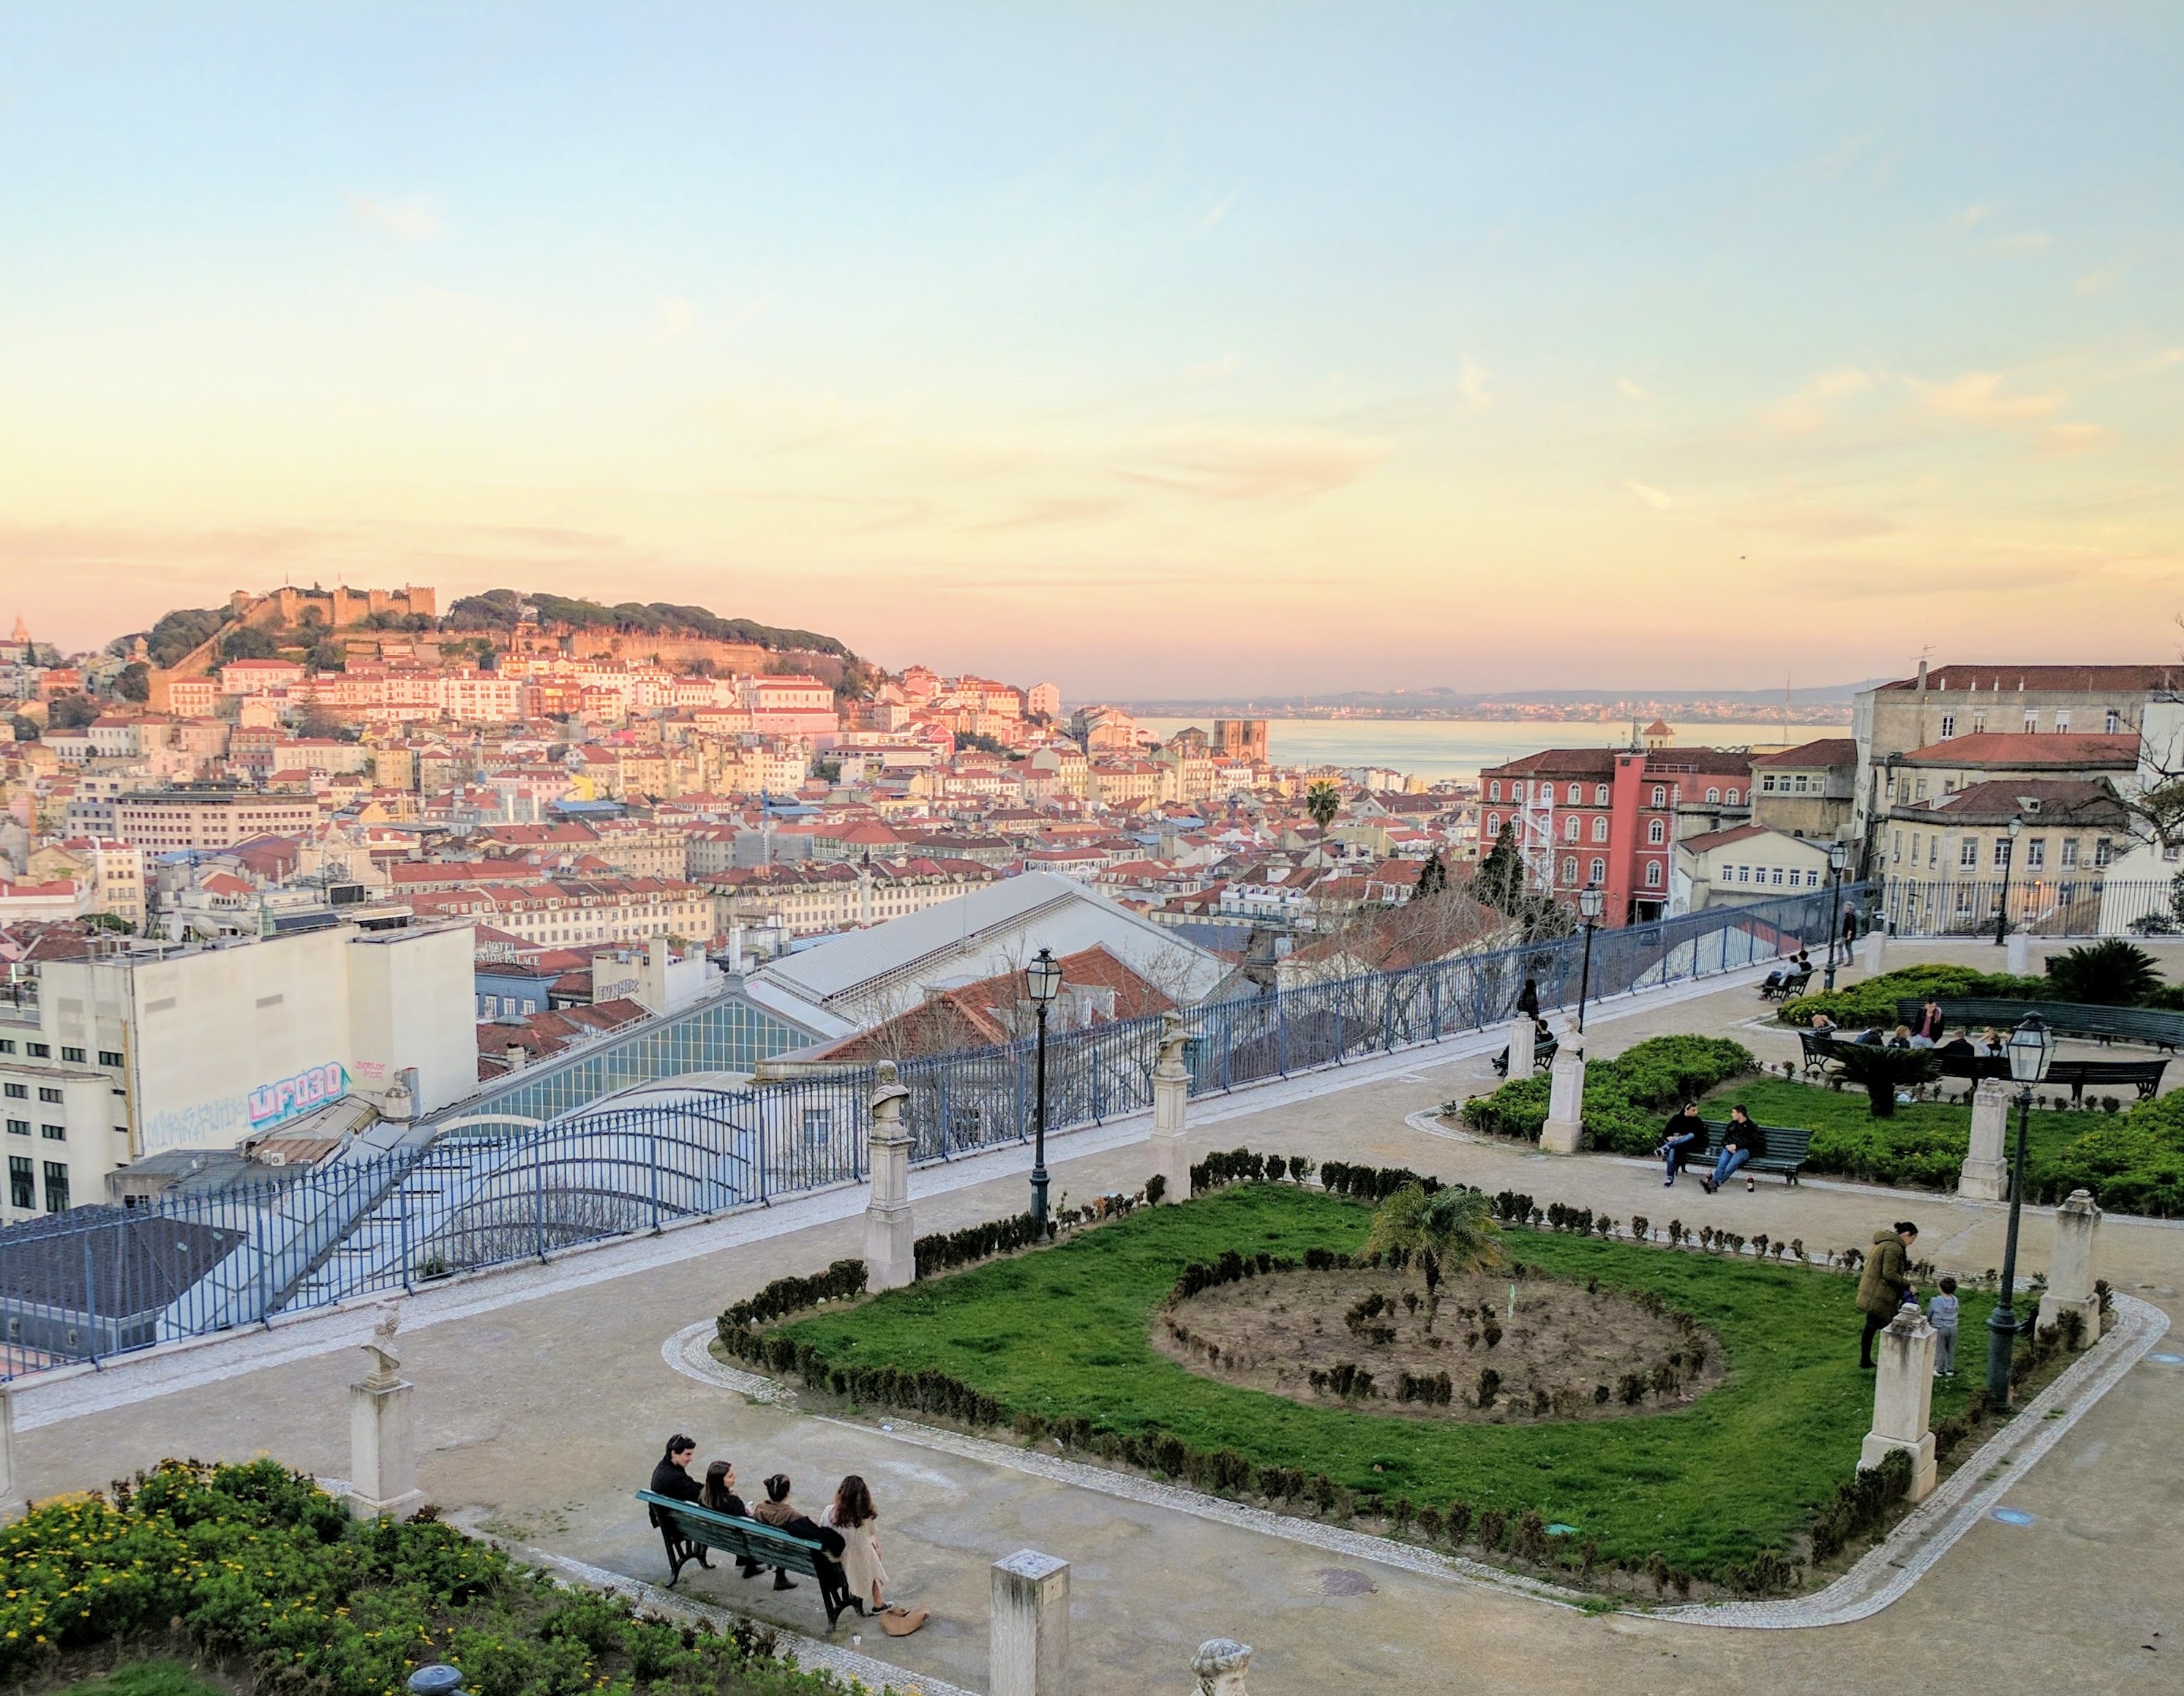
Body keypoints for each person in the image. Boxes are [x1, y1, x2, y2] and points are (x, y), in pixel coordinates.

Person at [825, 1474, 923, 1635]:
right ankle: (878, 1602)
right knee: (874, 1551)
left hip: (829, 1567)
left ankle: (878, 1602)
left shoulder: (828, 1512)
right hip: (851, 1569)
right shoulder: (864, 1519)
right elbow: (871, 1534)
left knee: (870, 1551)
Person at [751, 1473, 845, 1591]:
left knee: (781, 1540)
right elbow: (821, 1535)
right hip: (786, 1553)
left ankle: (779, 1577)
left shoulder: (760, 1509)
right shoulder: (792, 1516)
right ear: (787, 1493)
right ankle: (780, 1578)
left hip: (768, 1549)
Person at [1856, 1221, 1920, 1369]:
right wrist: (1907, 1285)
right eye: (1913, 1239)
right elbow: (1889, 1274)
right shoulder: (1894, 1248)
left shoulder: (1884, 1243)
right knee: (1893, 1328)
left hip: (1873, 1292)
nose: (1911, 1243)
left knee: (1870, 1327)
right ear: (1906, 1235)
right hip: (1880, 1295)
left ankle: (1865, 1360)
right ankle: (1895, 1362)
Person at [648, 1435, 710, 1573]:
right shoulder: (673, 1477)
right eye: (687, 1454)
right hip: (678, 1527)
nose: (691, 1459)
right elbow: (696, 1495)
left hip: (671, 1521)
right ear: (673, 1453)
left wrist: (711, 1488)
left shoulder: (666, 1467)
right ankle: (745, 1561)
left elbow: (690, 1483)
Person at [703, 1460, 766, 1580]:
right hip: (739, 1539)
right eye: (730, 1476)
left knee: (734, 1530)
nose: (735, 1477)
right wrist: (750, 1511)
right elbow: (747, 1525)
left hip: (719, 1536)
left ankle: (743, 1561)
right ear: (720, 1481)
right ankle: (748, 1563)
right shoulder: (732, 1502)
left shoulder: (705, 1498)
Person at [1701, 1106, 1763, 1193]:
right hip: (1729, 1149)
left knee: (1730, 1166)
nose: (1732, 1114)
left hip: (1743, 1151)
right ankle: (1713, 1186)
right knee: (1721, 1164)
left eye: (1734, 1112)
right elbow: (1724, 1139)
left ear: (1740, 1114)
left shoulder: (1751, 1127)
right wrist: (1728, 1146)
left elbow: (1753, 1142)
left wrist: (1737, 1146)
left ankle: (1713, 1184)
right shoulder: (1732, 1125)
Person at [1658, 1101, 1705, 1187]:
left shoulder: (1697, 1121)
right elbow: (1667, 1132)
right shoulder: (1677, 1118)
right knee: (1671, 1153)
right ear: (1686, 1110)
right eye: (1693, 1110)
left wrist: (1683, 1138)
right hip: (1676, 1145)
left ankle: (1666, 1147)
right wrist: (1669, 1137)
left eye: (1696, 1110)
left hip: (1689, 1145)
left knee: (1690, 1135)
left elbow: (1700, 1136)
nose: (1696, 1112)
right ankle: (1670, 1177)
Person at [1926, 1277, 1961, 1376]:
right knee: (1951, 1348)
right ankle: (1950, 1369)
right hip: (1953, 1327)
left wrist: (1927, 1321)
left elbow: (1930, 1313)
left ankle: (1939, 1369)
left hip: (1940, 1328)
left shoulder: (1935, 1300)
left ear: (1941, 1288)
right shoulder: (1955, 1300)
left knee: (1940, 1348)